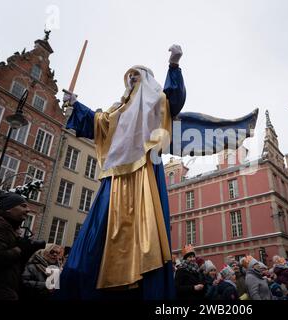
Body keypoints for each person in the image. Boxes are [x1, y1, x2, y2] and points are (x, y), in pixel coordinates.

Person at [60, 45, 258, 300]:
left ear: (146, 82)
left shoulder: (155, 108)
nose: (131, 80)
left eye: (137, 76)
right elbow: (97, 124)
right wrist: (75, 104)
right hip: (115, 178)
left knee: (145, 235)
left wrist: (174, 66)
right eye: (129, 77)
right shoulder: (116, 112)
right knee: (102, 232)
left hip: (144, 174)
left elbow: (172, 100)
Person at [0, 193, 30, 300]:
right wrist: (20, 248)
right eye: (23, 206)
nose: (28, 210)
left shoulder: (6, 226)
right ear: (8, 208)